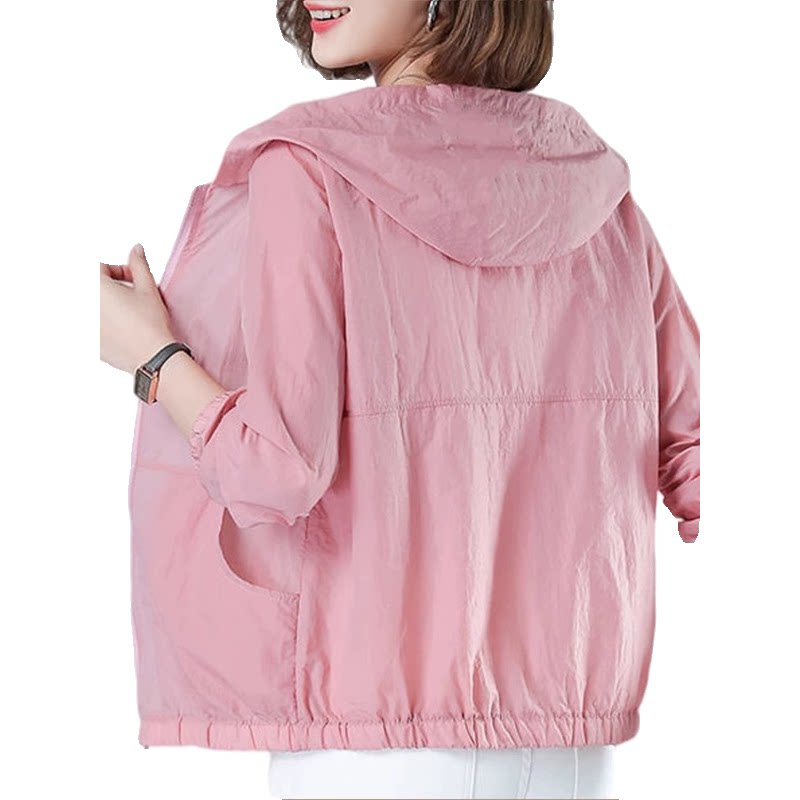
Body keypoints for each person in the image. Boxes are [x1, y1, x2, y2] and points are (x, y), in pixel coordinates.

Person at [100, 1, 699, 798]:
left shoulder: (311, 169)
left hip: (371, 750)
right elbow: (697, 458)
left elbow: (276, 471)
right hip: (572, 754)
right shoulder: (600, 192)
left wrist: (151, 354)